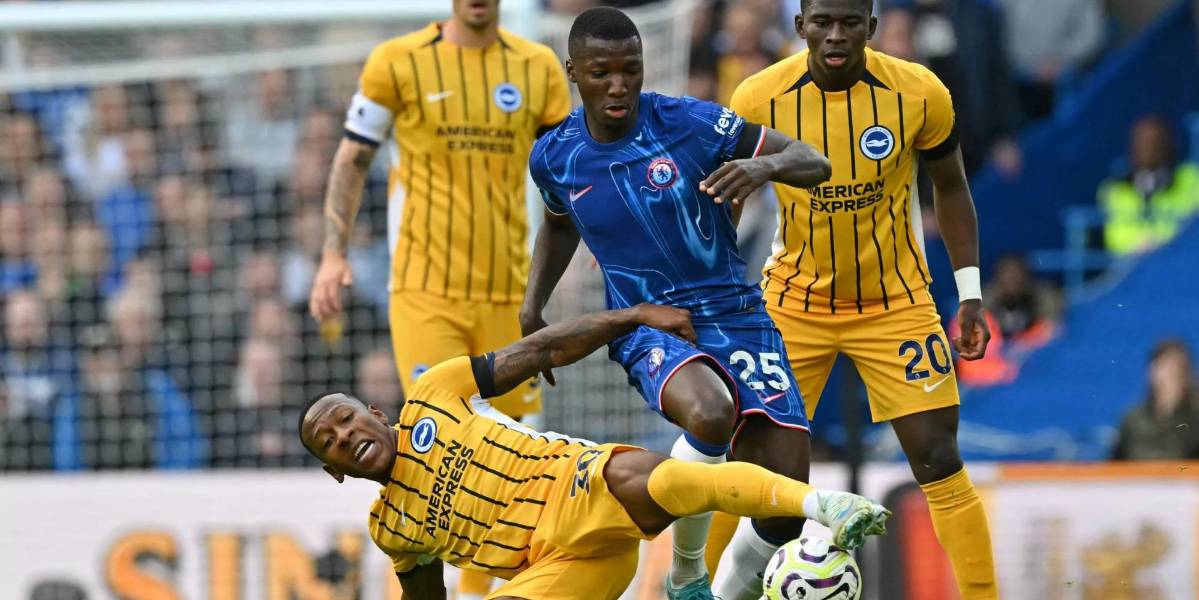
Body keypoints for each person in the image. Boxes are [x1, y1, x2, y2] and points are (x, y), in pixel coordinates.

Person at [521, 7, 832, 598]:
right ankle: (686, 572)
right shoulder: (555, 155)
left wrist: (763, 166)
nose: (619, 86)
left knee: (783, 509)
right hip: (648, 324)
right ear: (574, 72)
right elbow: (560, 223)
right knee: (711, 414)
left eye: (631, 70)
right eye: (602, 73)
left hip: (737, 314)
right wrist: (533, 307)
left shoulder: (691, 122)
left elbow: (814, 162)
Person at [298, 303, 890, 600]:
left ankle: (821, 504)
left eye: (345, 420)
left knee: (664, 481)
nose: (344, 436)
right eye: (331, 443)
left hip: (577, 485)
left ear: (375, 413)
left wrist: (631, 317)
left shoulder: (433, 395)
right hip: (556, 570)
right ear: (335, 471)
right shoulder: (392, 529)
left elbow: (540, 351)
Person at [722, 0, 997, 597]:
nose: (835, 35)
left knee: (938, 458)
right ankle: (700, 588)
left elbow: (951, 187)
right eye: (822, 22)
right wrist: (712, 296)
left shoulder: (919, 92)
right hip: (792, 305)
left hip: (896, 304)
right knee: (751, 469)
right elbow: (726, 198)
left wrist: (970, 293)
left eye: (850, 22)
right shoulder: (756, 97)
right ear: (800, 26)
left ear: (871, 28)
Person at [307, 3, 572, 594]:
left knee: (511, 446)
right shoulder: (396, 62)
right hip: (425, 290)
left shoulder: (537, 66)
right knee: (445, 441)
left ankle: (497, 584)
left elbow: (569, 170)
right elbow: (353, 157)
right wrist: (332, 252)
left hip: (509, 289)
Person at [1099, 115, 1199, 256]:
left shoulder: (1192, 179)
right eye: (1144, 143)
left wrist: (1163, 243)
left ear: (1169, 145)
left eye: (1156, 142)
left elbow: (1193, 229)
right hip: (1135, 262)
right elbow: (1115, 237)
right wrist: (1141, 243)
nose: (1150, 149)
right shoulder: (1117, 190)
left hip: (1180, 259)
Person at [1112, 339, 1199, 461]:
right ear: (1151, 371)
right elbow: (1115, 464)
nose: (1170, 375)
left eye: (1176, 368)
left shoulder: (1195, 418)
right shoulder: (1133, 419)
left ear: (1187, 374)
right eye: (1164, 367)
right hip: (1140, 473)